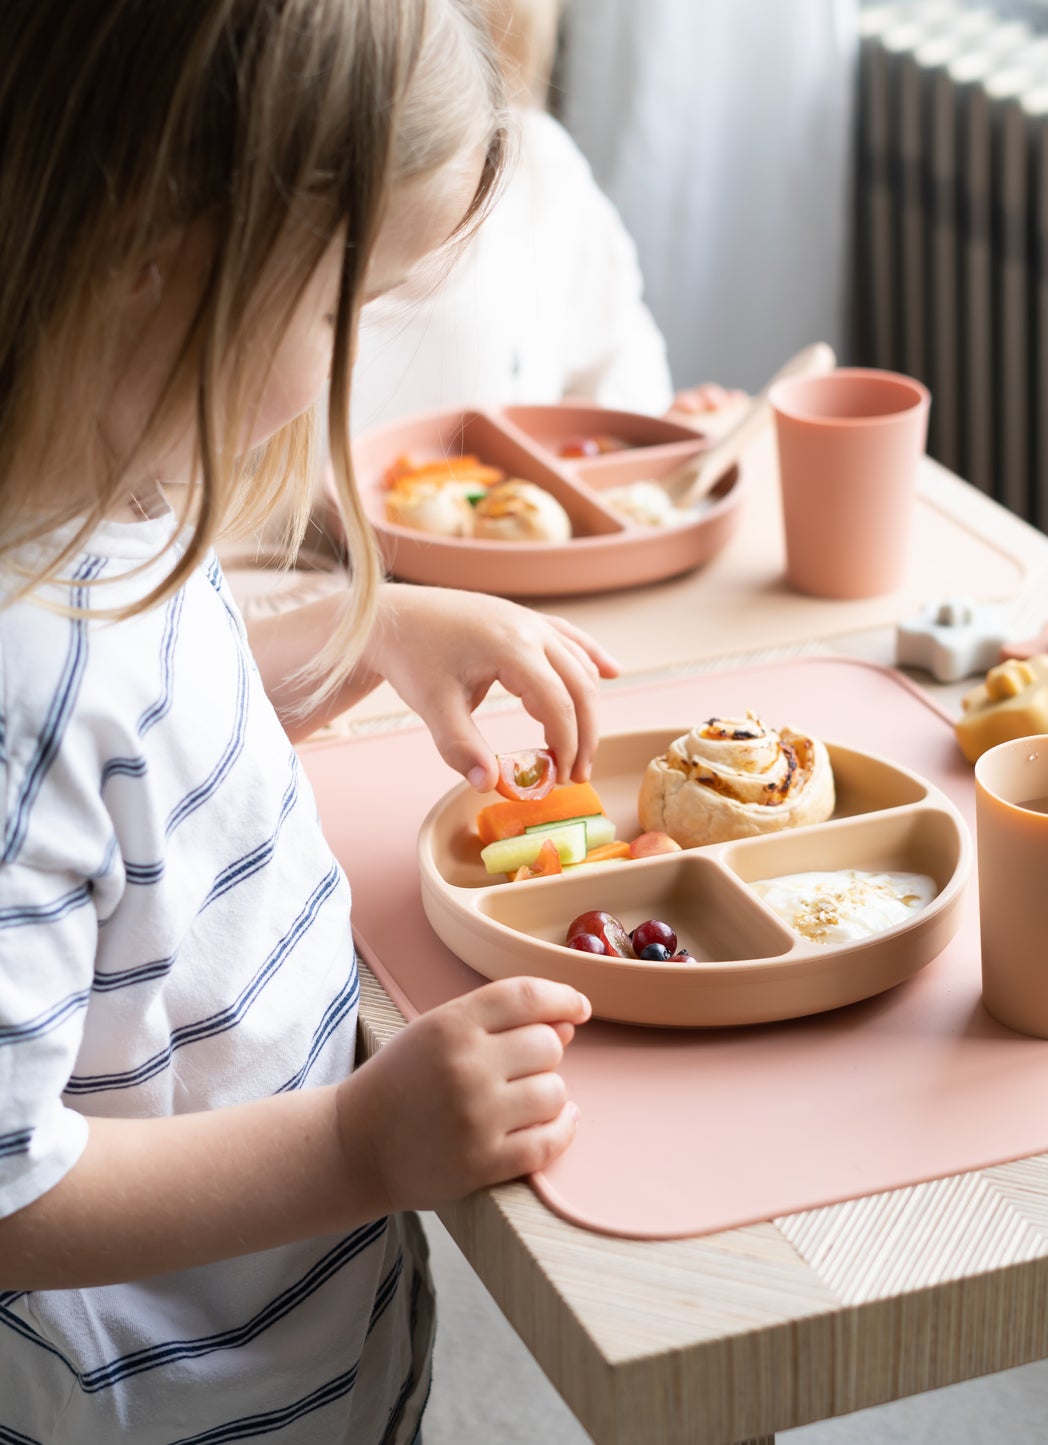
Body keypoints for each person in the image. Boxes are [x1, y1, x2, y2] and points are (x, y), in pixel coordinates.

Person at [0, 2, 611, 1440]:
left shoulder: (108, 501)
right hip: (163, 1401)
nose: (342, 359)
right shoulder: (18, 678)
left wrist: (367, 632)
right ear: (156, 258)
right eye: (342, 306)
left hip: (292, 1333)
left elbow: (136, 761)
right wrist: (356, 1142)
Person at [349, 0, 744, 433]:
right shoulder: (295, 220)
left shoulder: (544, 173)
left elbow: (618, 361)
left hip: (514, 495)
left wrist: (650, 429)